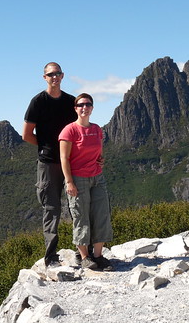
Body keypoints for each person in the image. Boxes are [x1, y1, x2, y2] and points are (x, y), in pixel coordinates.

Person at [23, 62, 78, 268]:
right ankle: (50, 256)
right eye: (50, 74)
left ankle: (82, 251)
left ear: (63, 76)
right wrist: (45, 146)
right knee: (51, 208)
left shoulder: (71, 102)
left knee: (77, 206)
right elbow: (27, 135)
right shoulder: (38, 102)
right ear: (44, 77)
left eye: (58, 73)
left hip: (71, 160)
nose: (55, 77)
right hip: (48, 163)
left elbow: (79, 131)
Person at [59, 93, 113, 270]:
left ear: (92, 108)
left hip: (97, 177)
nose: (84, 107)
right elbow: (64, 158)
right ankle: (84, 257)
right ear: (75, 108)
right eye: (81, 105)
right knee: (81, 217)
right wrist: (69, 182)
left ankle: (98, 256)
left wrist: (101, 161)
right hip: (78, 179)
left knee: (101, 214)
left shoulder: (97, 129)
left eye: (88, 104)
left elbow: (99, 153)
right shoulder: (70, 130)